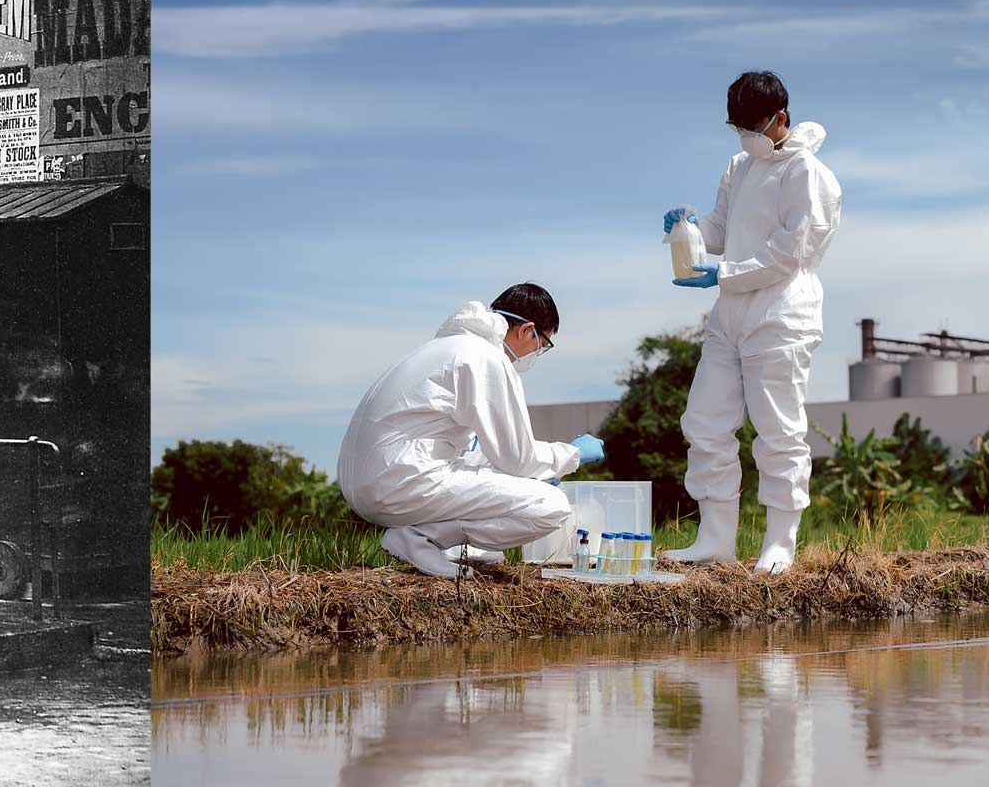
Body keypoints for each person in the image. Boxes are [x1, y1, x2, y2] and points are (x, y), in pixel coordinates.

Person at [663, 70, 842, 574]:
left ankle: (780, 543)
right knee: (705, 421)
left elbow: (791, 252)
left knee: (778, 430)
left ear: (780, 117)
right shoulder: (740, 165)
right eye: (737, 126)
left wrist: (725, 273)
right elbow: (724, 228)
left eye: (754, 125)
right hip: (731, 315)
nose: (745, 135)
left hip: (783, 312)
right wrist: (691, 228)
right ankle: (716, 540)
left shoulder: (807, 173)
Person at [338, 284, 606, 577]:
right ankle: (420, 538)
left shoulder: (449, 347)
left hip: (375, 481)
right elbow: (517, 458)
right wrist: (572, 454)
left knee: (507, 483)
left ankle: (439, 542)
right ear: (527, 330)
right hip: (396, 482)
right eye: (542, 344)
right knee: (551, 505)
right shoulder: (486, 357)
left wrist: (537, 473)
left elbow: (482, 451)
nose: (537, 353)